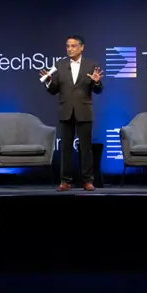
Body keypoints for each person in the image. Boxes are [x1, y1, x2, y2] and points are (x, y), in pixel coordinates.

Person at [39, 35, 103, 192]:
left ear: (82, 47)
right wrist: (47, 80)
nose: (70, 49)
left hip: (84, 111)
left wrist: (96, 81)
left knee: (86, 148)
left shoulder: (91, 64)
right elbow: (54, 90)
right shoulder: (60, 65)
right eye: (68, 46)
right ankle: (65, 181)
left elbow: (98, 90)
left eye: (73, 46)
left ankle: (88, 180)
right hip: (65, 111)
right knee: (65, 148)